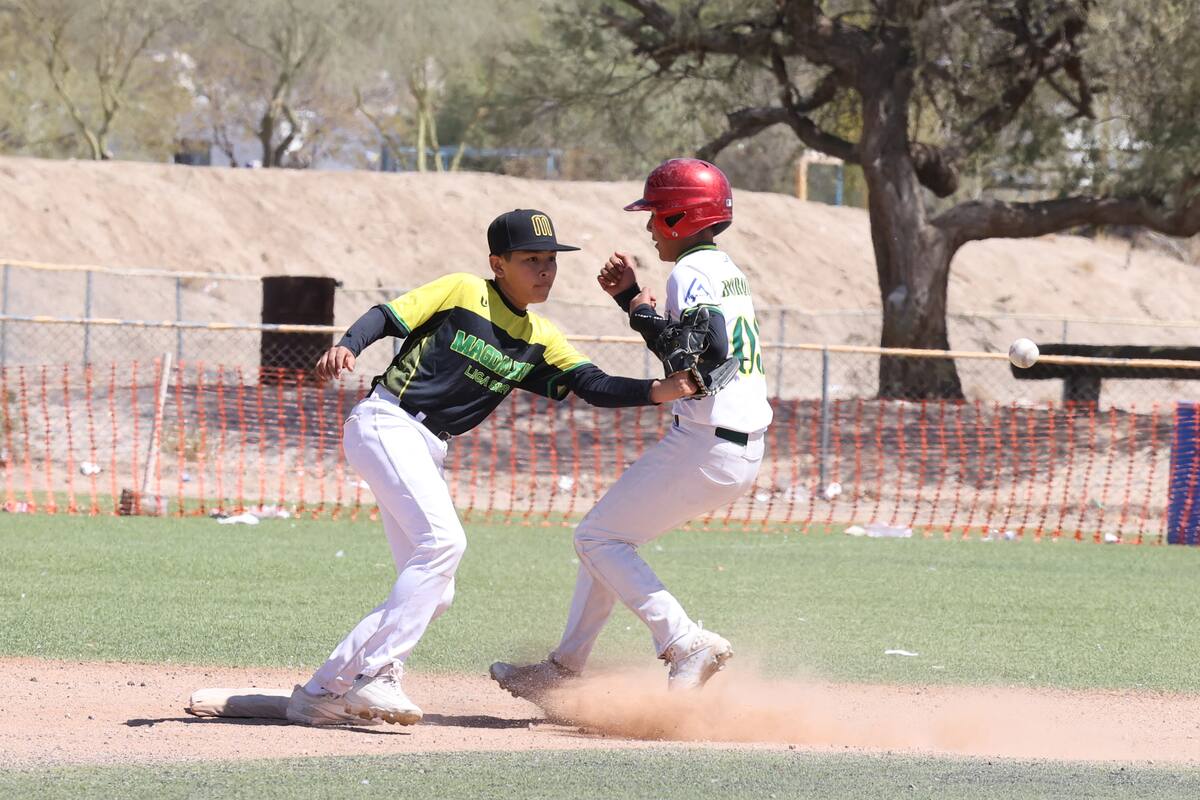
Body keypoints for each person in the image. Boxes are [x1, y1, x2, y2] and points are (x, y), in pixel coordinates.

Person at [286, 209, 698, 727]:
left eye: (550, 260)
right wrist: (348, 345)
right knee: (444, 545)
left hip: (427, 446)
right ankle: (377, 676)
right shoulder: (463, 291)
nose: (544, 270)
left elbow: (592, 384)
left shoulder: (539, 336)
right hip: (387, 421)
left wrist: (659, 391)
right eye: (530, 259)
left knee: (436, 589)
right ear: (497, 264)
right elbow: (387, 316)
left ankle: (323, 691)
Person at [490, 158, 773, 699]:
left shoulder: (690, 272)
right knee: (606, 539)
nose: (649, 226)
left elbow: (702, 358)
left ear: (680, 217)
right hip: (732, 442)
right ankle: (564, 669)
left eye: (656, 214)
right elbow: (699, 350)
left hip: (709, 442)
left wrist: (639, 310)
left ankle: (684, 641)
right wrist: (631, 300)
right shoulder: (724, 268)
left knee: (596, 538)